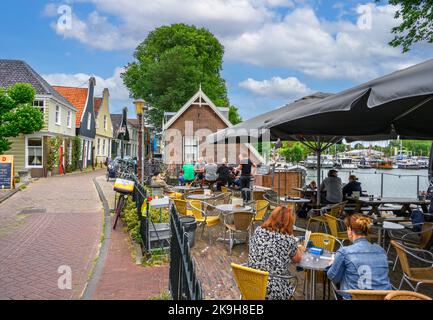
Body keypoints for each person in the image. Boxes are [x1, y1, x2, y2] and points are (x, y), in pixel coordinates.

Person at [326, 214, 392, 297]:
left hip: (355, 297)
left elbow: (333, 277)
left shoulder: (344, 252)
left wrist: (331, 264)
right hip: (384, 297)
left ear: (350, 230)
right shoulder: (381, 251)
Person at [248, 206, 302, 300]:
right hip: (272, 290)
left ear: (271, 217)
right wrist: (292, 236)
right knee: (288, 280)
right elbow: (297, 259)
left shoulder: (258, 231)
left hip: (250, 284)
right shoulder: (288, 240)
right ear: (289, 222)